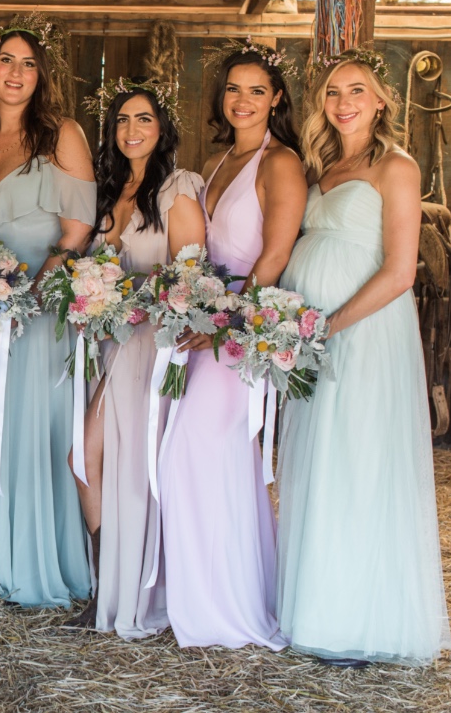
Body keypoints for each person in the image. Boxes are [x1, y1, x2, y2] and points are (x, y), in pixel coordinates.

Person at [276, 50, 451, 666]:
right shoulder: (321, 165)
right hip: (312, 338)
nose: (343, 102)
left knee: (359, 464)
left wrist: (329, 325)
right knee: (320, 462)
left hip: (365, 333)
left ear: (381, 100)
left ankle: (359, 619)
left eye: (357, 90)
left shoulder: (396, 167)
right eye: (332, 92)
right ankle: (316, 606)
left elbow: (401, 271)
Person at [158, 40, 306, 650]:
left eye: (256, 90)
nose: (242, 100)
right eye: (233, 89)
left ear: (276, 99)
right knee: (194, 461)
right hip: (202, 326)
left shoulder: (282, 163)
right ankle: (202, 599)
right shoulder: (216, 163)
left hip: (238, 334)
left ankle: (228, 609)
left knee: (200, 455)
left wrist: (225, 320)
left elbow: (274, 255)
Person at [0, 16, 96, 608]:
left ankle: (32, 554)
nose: (16, 72)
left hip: (38, 309)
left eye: (28, 63)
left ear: (42, 75)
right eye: (6, 60)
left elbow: (77, 229)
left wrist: (27, 296)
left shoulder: (61, 134)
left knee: (30, 428)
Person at [66, 79, 205, 636]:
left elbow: (189, 278)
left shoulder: (178, 190)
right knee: (89, 459)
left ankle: (135, 589)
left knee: (103, 460)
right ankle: (107, 583)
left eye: (143, 119)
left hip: (150, 346)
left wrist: (132, 296)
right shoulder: (106, 193)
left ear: (162, 128)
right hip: (109, 344)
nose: (132, 130)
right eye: (122, 120)